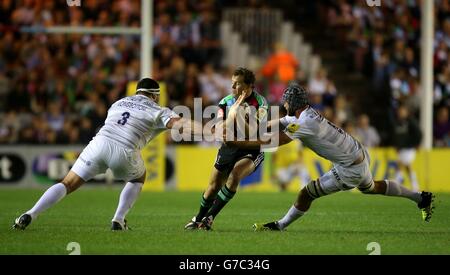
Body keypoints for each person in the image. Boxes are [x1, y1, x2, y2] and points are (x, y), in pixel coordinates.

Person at [225, 83, 434, 231]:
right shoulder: (306, 113)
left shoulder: (304, 123)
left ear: (293, 102)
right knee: (371, 188)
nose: (284, 104)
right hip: (357, 152)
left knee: (306, 193)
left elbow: (275, 141)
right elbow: (281, 121)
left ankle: (279, 226)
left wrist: (240, 142)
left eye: (286, 101)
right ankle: (420, 198)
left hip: (349, 168)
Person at [13, 78, 203, 231]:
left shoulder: (118, 103)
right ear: (154, 96)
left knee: (67, 183)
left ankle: (31, 213)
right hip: (124, 148)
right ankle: (118, 219)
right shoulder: (157, 109)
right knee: (138, 177)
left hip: (99, 143)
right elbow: (181, 125)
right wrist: (208, 130)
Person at [184, 67, 268, 230]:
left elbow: (253, 131)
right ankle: (198, 219)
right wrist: (234, 111)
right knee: (214, 185)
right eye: (232, 83)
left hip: (251, 148)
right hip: (229, 147)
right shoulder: (226, 101)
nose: (232, 88)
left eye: (237, 84)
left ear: (249, 86)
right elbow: (221, 129)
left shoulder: (261, 103)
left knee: (235, 175)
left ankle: (209, 218)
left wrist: (237, 116)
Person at [392, 105, 422, 192]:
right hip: (401, 149)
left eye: (402, 111)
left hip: (409, 148)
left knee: (402, 164)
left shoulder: (411, 122)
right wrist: (396, 145)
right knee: (407, 167)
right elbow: (395, 136)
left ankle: (396, 182)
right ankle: (415, 186)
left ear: (406, 112)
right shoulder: (396, 122)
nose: (400, 113)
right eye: (399, 111)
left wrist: (417, 144)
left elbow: (418, 133)